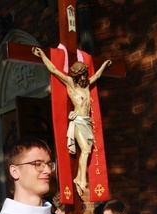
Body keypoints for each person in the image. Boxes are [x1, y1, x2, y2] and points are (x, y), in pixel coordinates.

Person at [32, 47, 111, 196]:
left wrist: (104, 66)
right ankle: (80, 179)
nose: (83, 78)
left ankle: (79, 178)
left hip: (86, 122)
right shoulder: (71, 84)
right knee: (86, 150)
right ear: (75, 75)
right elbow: (54, 70)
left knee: (86, 151)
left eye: (84, 74)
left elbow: (98, 76)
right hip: (78, 122)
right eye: (80, 75)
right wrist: (42, 55)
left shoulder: (86, 85)